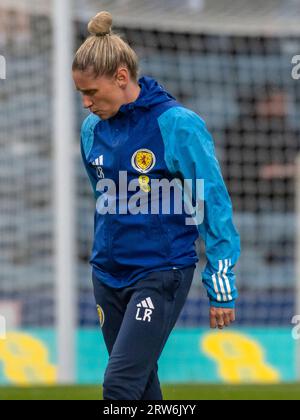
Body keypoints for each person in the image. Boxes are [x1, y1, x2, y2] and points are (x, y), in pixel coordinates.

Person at [72, 11, 240, 401]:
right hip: (107, 275)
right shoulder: (91, 130)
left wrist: (221, 284)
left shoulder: (177, 125)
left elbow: (211, 203)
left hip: (160, 272)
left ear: (120, 76)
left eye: (92, 92)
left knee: (119, 388)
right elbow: (105, 199)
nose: (85, 103)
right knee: (143, 390)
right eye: (81, 93)